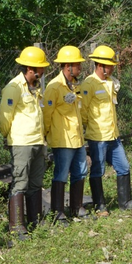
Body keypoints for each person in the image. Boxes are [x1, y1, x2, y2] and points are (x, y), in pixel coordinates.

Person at [0, 46, 49, 239]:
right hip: (22, 143)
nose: (43, 72)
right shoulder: (14, 87)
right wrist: (10, 137)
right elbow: (4, 118)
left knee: (36, 183)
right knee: (20, 182)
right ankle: (17, 226)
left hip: (37, 141)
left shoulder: (35, 88)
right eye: (41, 68)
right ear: (31, 69)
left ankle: (36, 220)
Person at [79, 45, 132, 214]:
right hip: (98, 136)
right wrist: (91, 127)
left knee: (123, 166)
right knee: (98, 170)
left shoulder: (110, 83)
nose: (112, 69)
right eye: (110, 66)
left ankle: (125, 202)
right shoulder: (89, 83)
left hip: (113, 135)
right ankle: (100, 205)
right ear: (100, 65)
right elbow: (83, 111)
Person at [43, 45, 88, 224]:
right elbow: (47, 113)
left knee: (81, 171)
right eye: (77, 65)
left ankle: (77, 207)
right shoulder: (54, 87)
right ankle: (58, 212)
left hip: (77, 137)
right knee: (61, 174)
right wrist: (45, 134)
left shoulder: (75, 86)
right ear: (67, 66)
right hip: (63, 139)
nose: (80, 68)